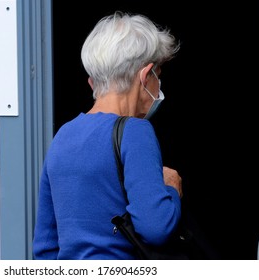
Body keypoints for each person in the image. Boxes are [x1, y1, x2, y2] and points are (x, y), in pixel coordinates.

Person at [33, 11, 182, 259]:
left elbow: (46, 245)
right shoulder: (136, 131)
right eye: (159, 76)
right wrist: (172, 190)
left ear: (93, 83)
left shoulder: (63, 135)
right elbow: (157, 228)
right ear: (146, 76)